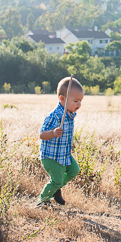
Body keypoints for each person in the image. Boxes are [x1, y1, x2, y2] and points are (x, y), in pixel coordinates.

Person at [37, 77, 84, 207]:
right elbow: (41, 134)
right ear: (62, 99)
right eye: (76, 101)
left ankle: (55, 188)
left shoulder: (69, 114)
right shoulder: (54, 115)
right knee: (57, 180)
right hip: (51, 156)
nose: (79, 104)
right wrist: (53, 133)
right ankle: (42, 200)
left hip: (64, 154)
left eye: (80, 101)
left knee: (74, 170)